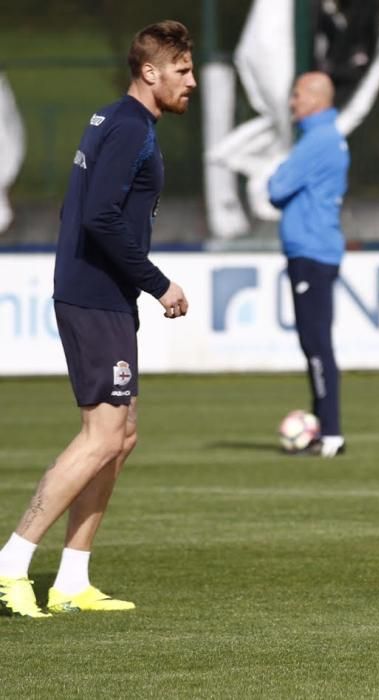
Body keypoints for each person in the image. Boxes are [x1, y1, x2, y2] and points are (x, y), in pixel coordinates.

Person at [0, 20, 194, 618]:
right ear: (150, 72)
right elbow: (100, 219)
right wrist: (157, 283)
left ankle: (72, 580)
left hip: (101, 294)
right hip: (94, 297)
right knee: (101, 436)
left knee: (122, 436)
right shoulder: (131, 128)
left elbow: (76, 206)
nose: (191, 83)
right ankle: (9, 565)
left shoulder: (109, 118)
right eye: (182, 72)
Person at [268, 71, 349, 458]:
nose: (291, 102)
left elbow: (276, 187)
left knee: (316, 343)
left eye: (297, 94)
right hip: (316, 251)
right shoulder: (325, 137)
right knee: (313, 342)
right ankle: (322, 429)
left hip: (312, 252)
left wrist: (280, 179)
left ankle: (330, 433)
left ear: (317, 98)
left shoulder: (317, 140)